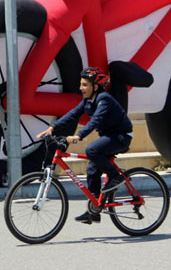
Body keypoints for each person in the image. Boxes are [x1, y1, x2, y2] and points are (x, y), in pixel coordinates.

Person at [37, 67, 133, 224]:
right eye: (81, 84)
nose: (80, 88)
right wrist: (53, 127)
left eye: (84, 85)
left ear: (95, 87)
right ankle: (94, 210)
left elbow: (95, 120)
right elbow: (73, 114)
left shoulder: (104, 99)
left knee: (92, 150)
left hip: (120, 137)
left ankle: (115, 177)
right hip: (108, 137)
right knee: (92, 169)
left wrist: (78, 136)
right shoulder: (88, 100)